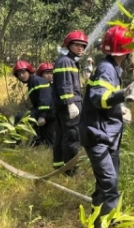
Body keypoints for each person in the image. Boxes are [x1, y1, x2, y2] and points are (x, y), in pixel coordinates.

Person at [80, 26, 134, 225]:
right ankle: (109, 222)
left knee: (105, 184)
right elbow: (99, 98)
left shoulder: (112, 68)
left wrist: (122, 107)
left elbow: (107, 101)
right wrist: (123, 94)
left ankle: (99, 221)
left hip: (108, 133)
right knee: (110, 184)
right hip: (98, 135)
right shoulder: (106, 69)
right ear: (126, 51)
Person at [53, 30, 88, 172]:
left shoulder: (67, 61)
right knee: (72, 137)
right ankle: (71, 170)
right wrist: (71, 104)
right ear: (69, 45)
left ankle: (59, 166)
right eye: (77, 45)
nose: (80, 48)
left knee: (62, 136)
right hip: (69, 107)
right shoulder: (66, 61)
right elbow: (65, 85)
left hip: (63, 107)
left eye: (83, 46)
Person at [13, 60, 56, 147]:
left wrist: (42, 116)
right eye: (19, 74)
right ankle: (39, 145)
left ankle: (15, 144)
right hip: (51, 113)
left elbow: (45, 99)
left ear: (29, 71)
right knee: (50, 142)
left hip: (48, 112)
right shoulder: (33, 82)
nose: (21, 75)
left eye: (23, 72)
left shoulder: (36, 81)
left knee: (19, 117)